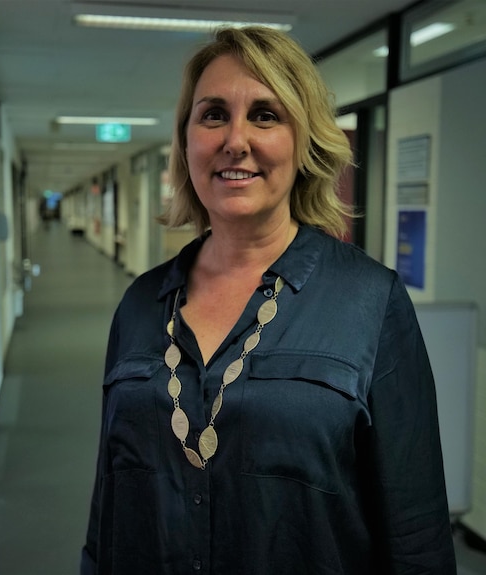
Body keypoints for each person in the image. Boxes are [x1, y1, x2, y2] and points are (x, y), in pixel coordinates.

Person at [81, 26, 456, 575]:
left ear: (302, 143)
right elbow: (107, 507)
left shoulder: (370, 303)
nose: (236, 139)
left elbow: (416, 531)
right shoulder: (141, 304)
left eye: (265, 115)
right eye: (212, 114)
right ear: (186, 143)